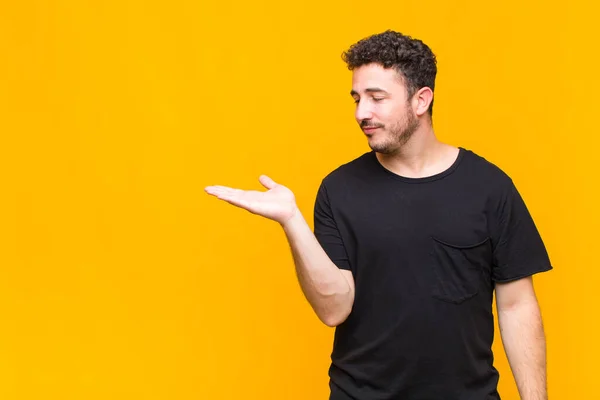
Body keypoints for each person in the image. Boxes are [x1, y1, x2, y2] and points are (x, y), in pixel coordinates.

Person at [205, 30, 552, 400]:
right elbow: (334, 308)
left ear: (421, 100)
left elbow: (517, 305)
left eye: (376, 98)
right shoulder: (339, 190)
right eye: (356, 98)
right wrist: (292, 221)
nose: (361, 113)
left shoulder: (489, 187)